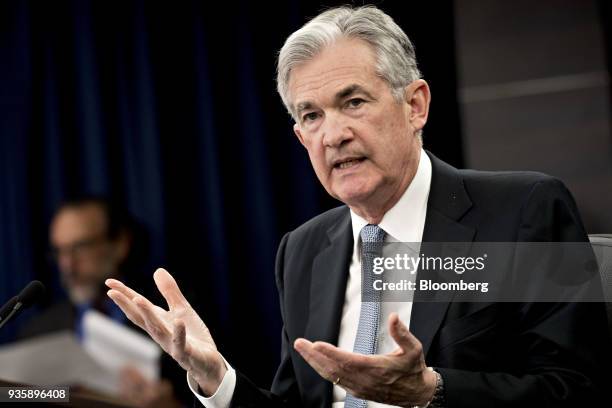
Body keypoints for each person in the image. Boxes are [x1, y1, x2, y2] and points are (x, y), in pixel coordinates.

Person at [106, 6, 610, 407]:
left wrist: (431, 391)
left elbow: (577, 389)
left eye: (353, 102)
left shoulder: (521, 211)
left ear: (415, 105)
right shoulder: (303, 251)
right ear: (301, 137)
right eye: (312, 115)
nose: (335, 134)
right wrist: (218, 379)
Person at [18, 196, 185, 408]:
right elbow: (15, 395)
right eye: (59, 251)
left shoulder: (172, 313)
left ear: (119, 244)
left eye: (80, 247)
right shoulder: (37, 331)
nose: (67, 265)